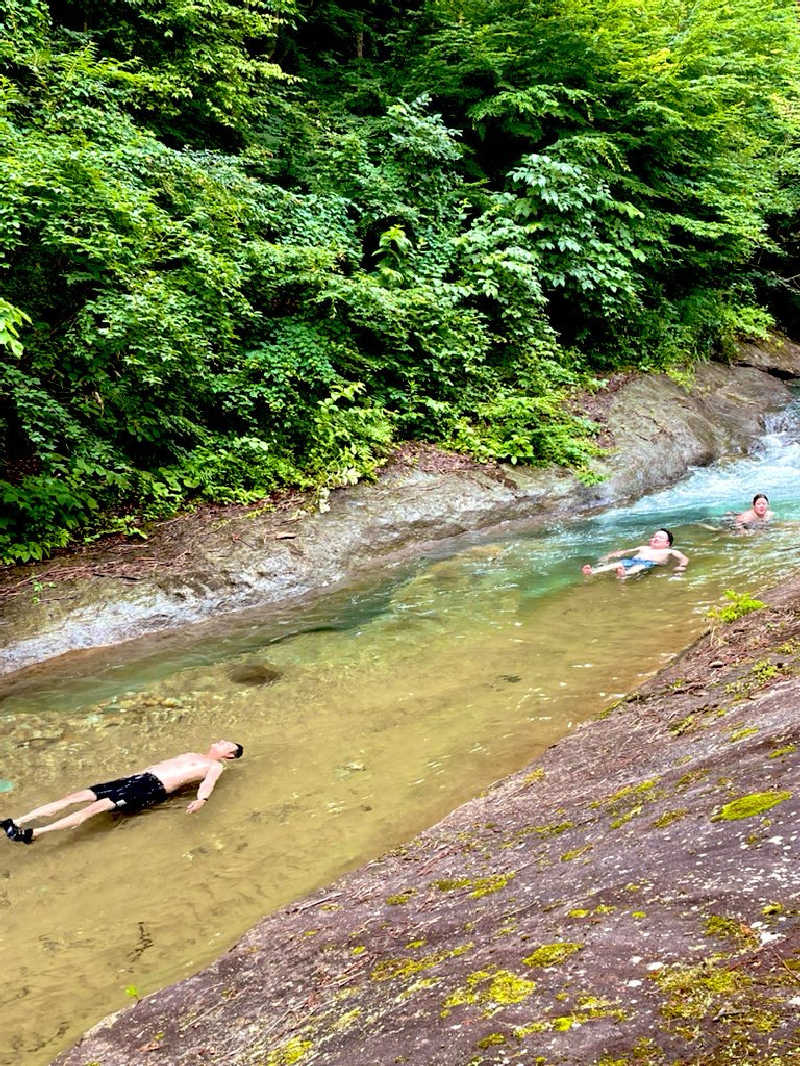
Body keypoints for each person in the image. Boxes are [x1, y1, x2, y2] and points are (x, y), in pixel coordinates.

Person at [1, 739, 243, 845]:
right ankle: (17, 821)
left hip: (151, 788)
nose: (221, 742)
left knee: (92, 809)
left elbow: (208, 783)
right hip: (136, 780)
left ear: (229, 755)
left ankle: (33, 833)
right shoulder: (192, 754)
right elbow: (157, 766)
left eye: (227, 745)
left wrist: (202, 799)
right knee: (74, 797)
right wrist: (129, 777)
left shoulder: (215, 766)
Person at [581, 528, 688, 579]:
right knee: (616, 564)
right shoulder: (643, 548)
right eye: (654, 536)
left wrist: (681, 566)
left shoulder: (670, 551)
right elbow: (627, 552)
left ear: (667, 543)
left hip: (649, 563)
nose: (656, 538)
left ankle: (625, 574)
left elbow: (684, 558)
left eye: (660, 538)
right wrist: (611, 555)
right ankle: (592, 571)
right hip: (632, 560)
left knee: (639, 567)